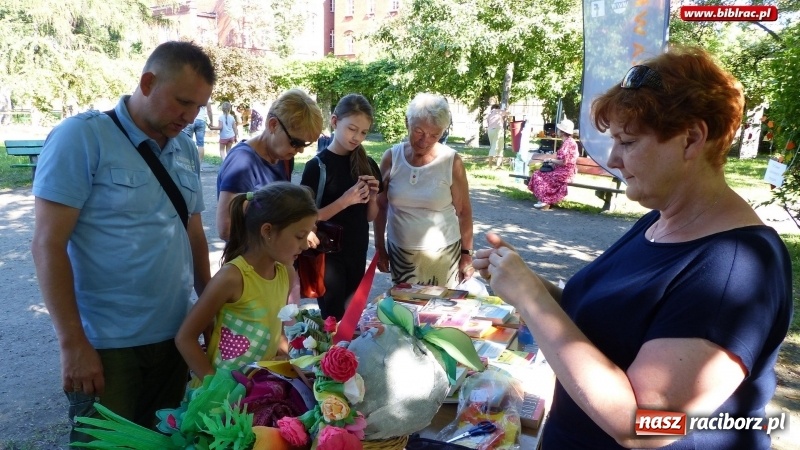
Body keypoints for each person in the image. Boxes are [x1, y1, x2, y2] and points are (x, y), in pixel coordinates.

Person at [473, 46, 792, 449]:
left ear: (691, 139)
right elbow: (603, 326)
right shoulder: (657, 224)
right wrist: (521, 280)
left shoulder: (736, 266)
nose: (613, 158)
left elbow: (645, 424)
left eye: (627, 141)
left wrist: (532, 297)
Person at [30, 41, 215, 440]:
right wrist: (73, 344)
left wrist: (209, 306)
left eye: (199, 107)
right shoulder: (81, 137)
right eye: (182, 102)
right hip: (106, 347)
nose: (189, 116)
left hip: (174, 338)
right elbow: (47, 244)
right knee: (106, 446)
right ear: (148, 82)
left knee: (167, 442)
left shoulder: (184, 147)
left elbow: (194, 234)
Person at [176, 182, 317, 379]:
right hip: (223, 399)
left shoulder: (286, 273)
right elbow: (185, 338)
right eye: (300, 236)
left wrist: (292, 367)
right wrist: (215, 386)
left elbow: (276, 332)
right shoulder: (232, 277)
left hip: (258, 390)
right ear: (267, 231)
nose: (306, 245)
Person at [374, 92, 475, 288]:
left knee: (438, 313)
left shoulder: (451, 162)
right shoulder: (391, 158)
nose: (425, 140)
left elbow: (463, 211)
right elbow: (380, 206)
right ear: (407, 123)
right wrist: (379, 247)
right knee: (405, 311)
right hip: (400, 253)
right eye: (419, 131)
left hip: (443, 255)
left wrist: (466, 255)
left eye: (434, 134)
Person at [300, 94, 382, 320]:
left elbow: (368, 217)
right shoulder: (317, 166)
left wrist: (373, 197)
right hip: (327, 256)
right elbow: (305, 219)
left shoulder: (367, 163)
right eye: (352, 129)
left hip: (357, 252)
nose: (357, 137)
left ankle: (344, 356)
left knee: (352, 318)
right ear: (335, 122)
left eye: (364, 132)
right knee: (333, 321)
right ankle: (330, 356)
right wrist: (345, 200)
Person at [216, 88, 323, 242]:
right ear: (273, 125)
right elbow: (226, 229)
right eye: (295, 143)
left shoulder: (283, 157)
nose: (299, 150)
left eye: (305, 145)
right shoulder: (243, 162)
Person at [527, 118, 578, 210]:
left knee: (539, 175)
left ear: (562, 132)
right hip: (563, 170)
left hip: (565, 172)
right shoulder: (567, 142)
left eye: (559, 129)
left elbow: (564, 162)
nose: (557, 131)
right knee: (539, 174)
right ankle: (545, 199)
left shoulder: (568, 143)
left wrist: (550, 160)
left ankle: (546, 200)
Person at [486, 104, 509, 168]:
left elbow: (489, 123)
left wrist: (503, 117)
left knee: (493, 146)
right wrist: (506, 110)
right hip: (498, 130)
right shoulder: (499, 111)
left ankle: (491, 165)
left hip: (490, 130)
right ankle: (497, 165)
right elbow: (508, 113)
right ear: (497, 107)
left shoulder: (489, 113)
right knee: (500, 148)